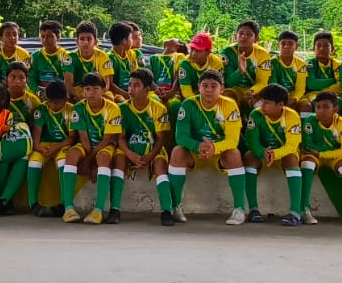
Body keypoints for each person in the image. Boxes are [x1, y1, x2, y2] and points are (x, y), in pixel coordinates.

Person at [167, 68, 244, 225]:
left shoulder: (229, 105)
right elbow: (180, 137)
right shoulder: (188, 104)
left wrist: (214, 148)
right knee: (177, 152)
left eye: (214, 86)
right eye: (205, 86)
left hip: (219, 151)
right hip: (196, 151)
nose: (209, 90)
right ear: (199, 87)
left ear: (222, 89)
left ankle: (239, 209)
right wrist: (198, 146)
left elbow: (233, 139)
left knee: (234, 154)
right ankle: (175, 206)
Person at [240, 84, 304, 226]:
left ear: (280, 105)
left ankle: (295, 212)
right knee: (249, 157)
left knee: (292, 159)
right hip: (263, 152)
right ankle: (253, 210)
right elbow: (252, 141)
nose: (262, 105)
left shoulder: (292, 116)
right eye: (262, 101)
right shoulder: (256, 114)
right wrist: (262, 152)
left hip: (283, 152)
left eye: (267, 103)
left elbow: (292, 145)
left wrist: (275, 153)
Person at [117, 68, 173, 225]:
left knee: (160, 165)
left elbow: (160, 139)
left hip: (152, 149)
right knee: (118, 160)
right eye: (130, 85)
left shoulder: (159, 108)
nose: (131, 89)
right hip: (129, 149)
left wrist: (149, 156)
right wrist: (129, 153)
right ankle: (114, 209)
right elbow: (120, 138)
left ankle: (166, 211)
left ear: (147, 90)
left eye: (136, 86)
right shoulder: (122, 109)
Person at [70, 72, 122, 223]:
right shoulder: (78, 108)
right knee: (72, 154)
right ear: (83, 91)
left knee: (103, 157)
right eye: (87, 89)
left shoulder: (112, 108)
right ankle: (68, 208)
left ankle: (98, 210)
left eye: (95, 89)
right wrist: (88, 158)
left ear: (103, 90)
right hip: (87, 146)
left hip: (105, 145)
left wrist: (91, 162)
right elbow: (84, 138)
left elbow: (107, 139)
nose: (91, 93)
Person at [299, 90, 342, 224]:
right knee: (307, 163)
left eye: (326, 107)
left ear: (335, 109)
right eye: (318, 107)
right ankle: (304, 209)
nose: (321, 111)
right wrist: (320, 153)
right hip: (316, 155)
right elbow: (307, 145)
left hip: (330, 156)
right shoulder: (310, 121)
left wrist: (321, 153)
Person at [25, 79, 77, 219]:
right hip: (44, 145)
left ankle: (63, 203)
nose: (54, 105)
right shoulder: (41, 110)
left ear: (66, 99)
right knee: (34, 163)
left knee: (63, 163)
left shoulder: (71, 110)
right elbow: (36, 137)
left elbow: (72, 138)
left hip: (63, 144)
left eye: (58, 102)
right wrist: (39, 149)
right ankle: (33, 203)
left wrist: (56, 147)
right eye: (50, 102)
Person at [0, 81, 32, 217]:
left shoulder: (7, 115)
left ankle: (4, 201)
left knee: (22, 156)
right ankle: (6, 202)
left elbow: (7, 136)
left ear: (1, 102)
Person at [221, 20, 271, 111]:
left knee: (264, 105)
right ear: (235, 36)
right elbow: (228, 83)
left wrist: (251, 91)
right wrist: (240, 72)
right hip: (235, 90)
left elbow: (262, 82)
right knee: (227, 96)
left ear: (256, 39)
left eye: (249, 34)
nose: (244, 37)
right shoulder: (228, 52)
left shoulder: (263, 54)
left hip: (254, 91)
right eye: (241, 33)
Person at [175, 32, 226, 105]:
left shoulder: (216, 63)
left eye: (198, 50)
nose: (193, 53)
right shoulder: (185, 63)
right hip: (192, 98)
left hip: (210, 96)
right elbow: (186, 92)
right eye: (192, 49)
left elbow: (218, 88)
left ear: (208, 52)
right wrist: (199, 105)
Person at [67, 22, 114, 95]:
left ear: (95, 42)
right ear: (77, 42)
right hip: (78, 93)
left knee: (109, 96)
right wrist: (79, 97)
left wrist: (94, 96)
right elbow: (68, 84)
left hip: (97, 92)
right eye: (82, 39)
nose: (85, 42)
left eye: (89, 39)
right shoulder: (69, 57)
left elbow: (106, 85)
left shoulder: (103, 56)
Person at [300, 31, 340, 114]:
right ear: (313, 49)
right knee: (316, 104)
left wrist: (325, 91)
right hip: (312, 94)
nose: (322, 48)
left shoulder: (337, 65)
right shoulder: (310, 64)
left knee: (340, 103)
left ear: (332, 49)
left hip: (332, 94)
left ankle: (339, 122)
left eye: (326, 46)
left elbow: (340, 85)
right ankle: (309, 123)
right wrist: (333, 80)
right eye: (318, 46)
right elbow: (312, 84)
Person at [0, 21, 32, 88]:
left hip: (19, 87)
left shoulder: (25, 54)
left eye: (15, 34)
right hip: (0, 88)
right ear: (1, 38)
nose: (12, 38)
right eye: (8, 35)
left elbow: (27, 77)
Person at [30, 20, 72, 93]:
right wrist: (38, 91)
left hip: (60, 93)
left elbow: (69, 81)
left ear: (58, 37)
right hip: (40, 93)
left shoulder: (67, 56)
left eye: (50, 36)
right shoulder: (35, 56)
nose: (45, 40)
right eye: (42, 37)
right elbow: (31, 79)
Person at [104, 22, 142, 97]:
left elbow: (136, 75)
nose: (132, 41)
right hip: (117, 93)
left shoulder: (131, 54)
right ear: (124, 41)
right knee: (120, 99)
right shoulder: (109, 58)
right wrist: (126, 94)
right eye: (131, 38)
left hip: (131, 90)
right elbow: (110, 84)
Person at [150, 39, 183, 105]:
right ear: (166, 44)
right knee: (153, 101)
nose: (178, 45)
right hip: (155, 91)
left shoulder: (179, 56)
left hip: (173, 93)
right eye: (176, 43)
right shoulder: (153, 58)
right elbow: (148, 76)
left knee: (175, 104)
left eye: (179, 45)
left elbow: (178, 75)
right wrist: (156, 87)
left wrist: (172, 91)